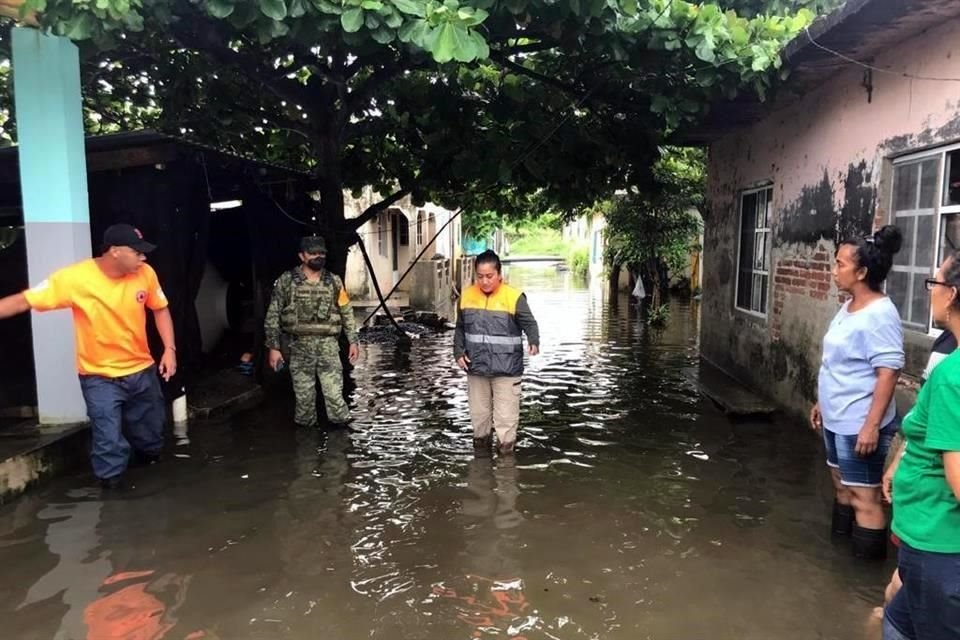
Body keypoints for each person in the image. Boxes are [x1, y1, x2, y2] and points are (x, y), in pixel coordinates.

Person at [0, 224, 177, 489]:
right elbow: (24, 300)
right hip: (99, 376)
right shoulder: (74, 279)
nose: (143, 258)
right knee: (108, 441)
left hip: (142, 369)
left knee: (150, 439)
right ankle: (112, 495)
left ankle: (150, 475)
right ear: (115, 252)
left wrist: (169, 350)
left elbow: (160, 309)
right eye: (137, 252)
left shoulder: (145, 274)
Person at [810, 225, 904, 559]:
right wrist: (822, 401)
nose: (834, 270)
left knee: (866, 498)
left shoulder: (880, 314)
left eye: (840, 264)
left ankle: (862, 581)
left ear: (862, 272)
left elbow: (889, 372)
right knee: (841, 488)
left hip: (859, 422)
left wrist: (871, 425)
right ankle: (839, 561)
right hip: (837, 418)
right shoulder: (850, 305)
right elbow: (838, 361)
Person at [882, 252, 960, 640]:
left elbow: (958, 477)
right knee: (896, 620)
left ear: (952, 294)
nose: (930, 293)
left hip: (940, 542)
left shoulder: (952, 375)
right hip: (928, 537)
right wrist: (903, 457)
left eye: (935, 284)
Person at [264, 235, 359, 429]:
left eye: (321, 253)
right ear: (302, 256)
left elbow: (346, 312)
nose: (318, 256)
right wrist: (274, 347)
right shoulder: (286, 281)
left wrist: (353, 341)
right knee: (304, 403)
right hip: (299, 347)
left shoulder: (334, 281)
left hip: (328, 348)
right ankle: (306, 452)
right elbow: (273, 315)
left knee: (335, 399)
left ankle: (340, 452)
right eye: (313, 253)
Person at [454, 250, 539, 456]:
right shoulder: (466, 296)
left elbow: (530, 323)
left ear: (499, 274)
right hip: (476, 368)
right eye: (480, 276)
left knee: (505, 422)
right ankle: (481, 468)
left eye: (489, 276)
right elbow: (460, 328)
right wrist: (458, 352)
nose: (484, 281)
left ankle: (506, 471)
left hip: (507, 370)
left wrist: (534, 340)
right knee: (479, 419)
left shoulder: (514, 297)